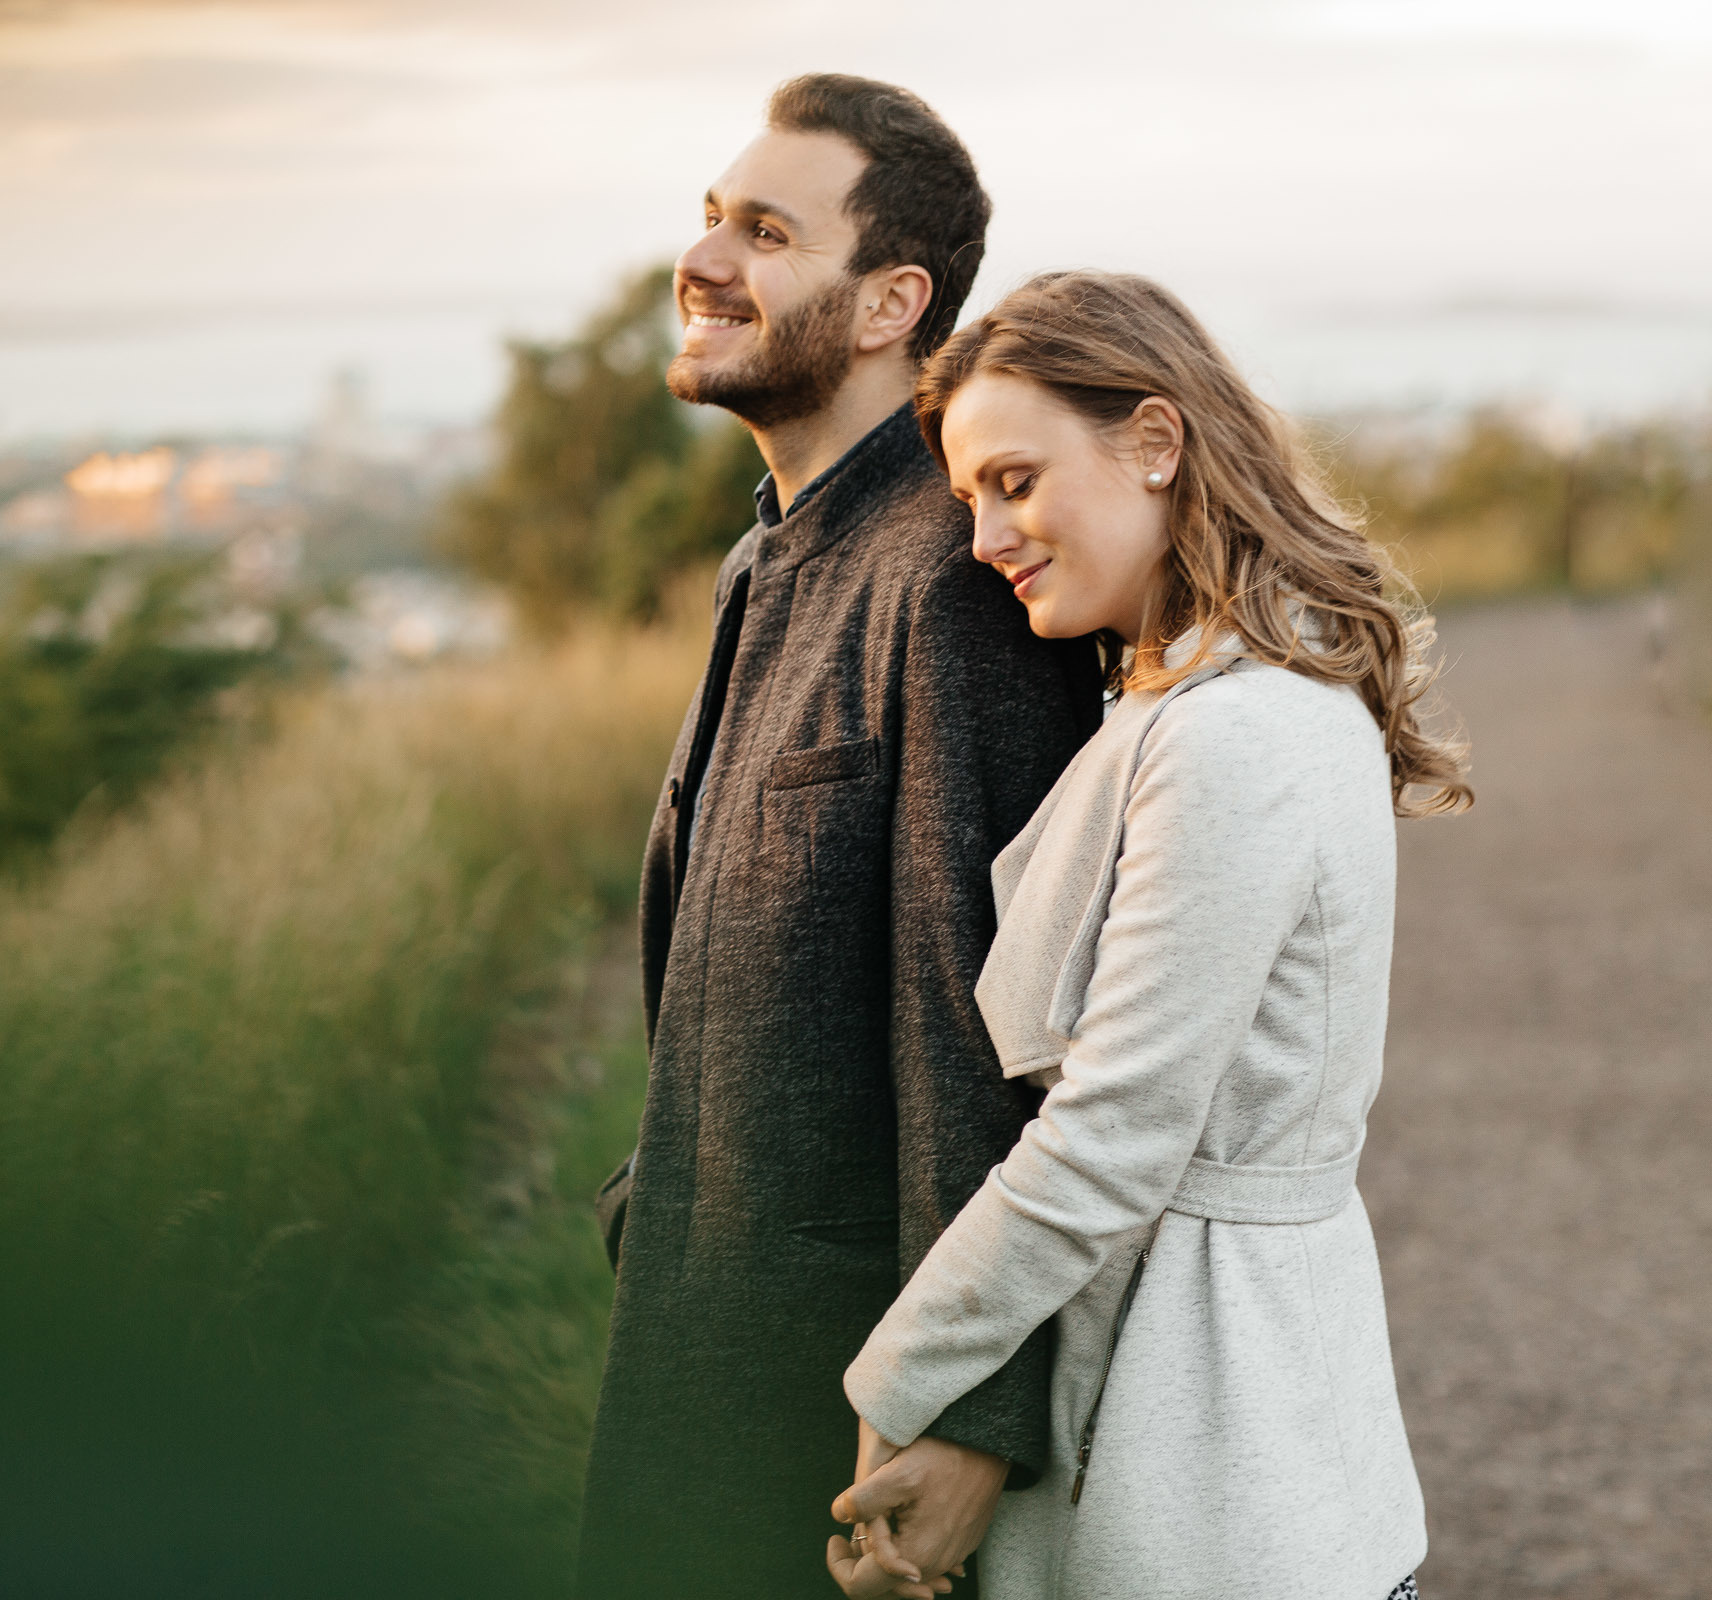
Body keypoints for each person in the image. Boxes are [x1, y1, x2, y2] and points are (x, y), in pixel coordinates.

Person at [827, 270, 1469, 1600]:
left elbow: (1112, 1135)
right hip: (1183, 1409)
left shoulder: (1243, 732)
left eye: (1014, 482)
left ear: (1157, 442)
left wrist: (901, 1385)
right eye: (969, 499)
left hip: (1232, 1451)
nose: (984, 537)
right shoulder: (1178, 701)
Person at [576, 76, 1104, 1600]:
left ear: (891, 303)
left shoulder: (953, 578)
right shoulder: (767, 555)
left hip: (836, 1426)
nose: (702, 261)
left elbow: (985, 1036)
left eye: (764, 232)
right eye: (709, 220)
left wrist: (969, 1413)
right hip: (698, 1341)